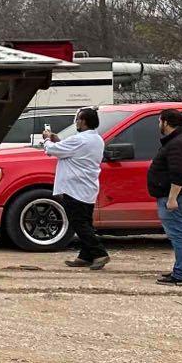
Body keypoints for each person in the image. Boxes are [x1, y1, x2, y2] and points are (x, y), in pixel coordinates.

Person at [41, 107, 108, 269]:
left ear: (83, 121)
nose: (76, 122)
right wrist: (57, 140)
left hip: (74, 188)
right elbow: (69, 149)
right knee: (85, 222)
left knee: (79, 223)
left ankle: (99, 253)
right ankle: (85, 256)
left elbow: (52, 150)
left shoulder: (80, 140)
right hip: (87, 187)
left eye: (77, 119)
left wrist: (47, 139)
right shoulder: (96, 139)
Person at [147, 108, 182, 285]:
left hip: (176, 196)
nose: (159, 125)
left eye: (160, 121)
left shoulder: (178, 144)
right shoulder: (175, 141)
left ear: (166, 122)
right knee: (178, 233)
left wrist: (172, 198)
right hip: (172, 195)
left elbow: (179, 173)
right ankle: (180, 270)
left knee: (179, 234)